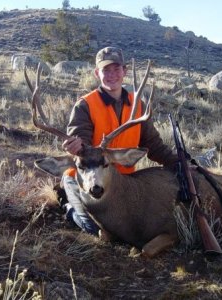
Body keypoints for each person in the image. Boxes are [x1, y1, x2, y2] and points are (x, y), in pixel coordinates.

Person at [58, 46, 178, 236]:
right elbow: (79, 136)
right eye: (106, 70)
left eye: (116, 69)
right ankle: (70, 206)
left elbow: (154, 145)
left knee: (136, 225)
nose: (111, 75)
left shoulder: (138, 105)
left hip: (121, 182)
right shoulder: (85, 105)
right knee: (97, 229)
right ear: (97, 73)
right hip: (86, 179)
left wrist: (180, 162)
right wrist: (77, 145)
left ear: (125, 71)